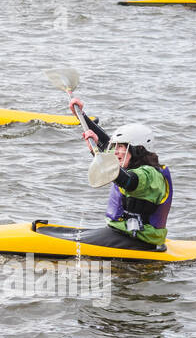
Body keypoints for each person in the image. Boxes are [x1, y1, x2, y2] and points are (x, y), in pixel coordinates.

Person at [68, 102, 171, 252]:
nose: (116, 151)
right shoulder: (129, 163)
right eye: (115, 147)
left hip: (140, 240)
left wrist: (99, 155)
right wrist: (81, 115)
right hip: (124, 234)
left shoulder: (150, 175)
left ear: (138, 150)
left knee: (75, 241)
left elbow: (128, 180)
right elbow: (106, 145)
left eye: (121, 147)